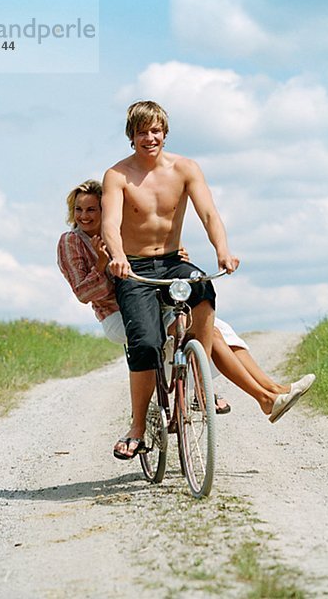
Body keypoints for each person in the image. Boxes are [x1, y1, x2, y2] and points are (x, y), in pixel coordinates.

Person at [98, 101, 311, 459]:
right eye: (141, 132)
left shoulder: (185, 168)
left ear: (164, 132)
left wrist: (223, 251)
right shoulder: (117, 175)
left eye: (155, 131)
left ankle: (199, 379)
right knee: (146, 344)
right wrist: (118, 256)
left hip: (171, 262)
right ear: (131, 136)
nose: (149, 138)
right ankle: (137, 425)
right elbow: (109, 223)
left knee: (202, 285)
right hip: (134, 268)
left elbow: (209, 213)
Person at [58, 179, 315, 458]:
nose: (85, 216)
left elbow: (152, 259)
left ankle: (273, 390)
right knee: (201, 332)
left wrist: (173, 258)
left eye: (93, 210)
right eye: (80, 209)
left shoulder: (121, 234)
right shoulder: (71, 242)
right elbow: (85, 294)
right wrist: (100, 266)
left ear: (107, 210)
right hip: (117, 315)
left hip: (157, 302)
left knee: (216, 329)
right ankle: (258, 398)